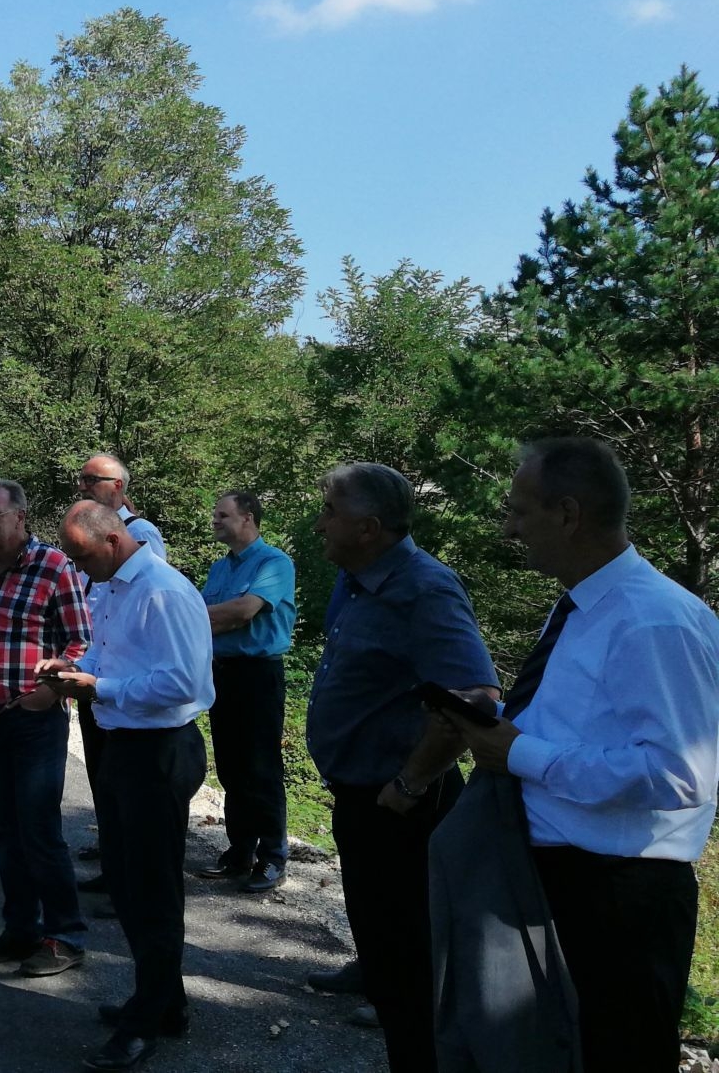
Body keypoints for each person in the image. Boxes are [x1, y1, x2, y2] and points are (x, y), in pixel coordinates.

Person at [438, 438, 719, 1072]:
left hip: (619, 901)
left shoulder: (655, 621)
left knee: (614, 1054)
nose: (509, 527)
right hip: (567, 882)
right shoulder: (585, 606)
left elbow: (680, 775)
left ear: (567, 513)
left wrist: (518, 751)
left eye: (518, 510)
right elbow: (581, 724)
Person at [306, 462, 499, 1071]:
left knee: (412, 973)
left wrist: (410, 781)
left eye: (330, 511)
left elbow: (476, 698)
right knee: (387, 966)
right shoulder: (359, 578)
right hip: (363, 802)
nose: (320, 524)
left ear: (367, 527)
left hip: (403, 811)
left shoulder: (424, 587)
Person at [40, 502, 214, 1072]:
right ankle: (166, 1002)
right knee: (128, 881)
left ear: (113, 540)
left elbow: (184, 681)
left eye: (83, 555)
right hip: (124, 747)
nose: (78, 567)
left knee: (152, 890)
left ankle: (147, 1021)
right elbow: (105, 654)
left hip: (160, 751)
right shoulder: (111, 584)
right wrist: (71, 672)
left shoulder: (162, 590)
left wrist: (102, 687)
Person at [0, 480, 92, 980]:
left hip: (34, 719)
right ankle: (20, 930)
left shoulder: (53, 567)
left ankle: (65, 935)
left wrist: (53, 690)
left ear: (20, 517)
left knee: (39, 831)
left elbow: (83, 642)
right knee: (7, 832)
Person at [194, 491, 297, 893]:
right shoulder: (221, 569)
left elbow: (242, 612)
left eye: (222, 514)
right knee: (232, 766)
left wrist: (197, 620)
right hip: (222, 674)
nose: (215, 520)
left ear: (248, 518)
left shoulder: (274, 562)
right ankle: (240, 852)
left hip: (257, 676)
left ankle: (273, 856)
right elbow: (214, 617)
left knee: (261, 768)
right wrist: (208, 620)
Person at [71, 452, 166, 876]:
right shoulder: (90, 533)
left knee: (123, 779)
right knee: (102, 773)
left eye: (93, 479)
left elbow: (148, 601)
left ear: (119, 485)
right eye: (82, 480)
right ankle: (113, 855)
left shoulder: (140, 532)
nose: (84, 486)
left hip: (121, 670)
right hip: (95, 660)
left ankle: (126, 868)